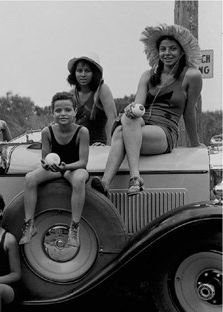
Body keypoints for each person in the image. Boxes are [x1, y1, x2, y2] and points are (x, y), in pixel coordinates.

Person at [92, 24, 203, 197]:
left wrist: (195, 144)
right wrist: (130, 110)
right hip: (141, 123)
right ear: (157, 52)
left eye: (173, 49)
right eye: (163, 49)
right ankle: (116, 181)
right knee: (126, 121)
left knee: (122, 132)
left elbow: (189, 113)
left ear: (182, 52)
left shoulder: (192, 75)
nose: (167, 53)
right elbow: (139, 108)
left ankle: (123, 179)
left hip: (164, 129)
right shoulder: (147, 75)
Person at [19, 92, 89, 247]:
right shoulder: (47, 132)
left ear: (74, 111)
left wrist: (66, 167)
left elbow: (83, 162)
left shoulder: (82, 132)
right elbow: (44, 159)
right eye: (58, 110)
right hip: (55, 168)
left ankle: (74, 228)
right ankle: (29, 225)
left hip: (73, 168)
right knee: (30, 177)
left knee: (79, 179)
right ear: (52, 113)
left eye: (67, 110)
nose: (63, 114)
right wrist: (47, 165)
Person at [67, 53, 117, 145]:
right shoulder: (72, 94)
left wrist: (109, 146)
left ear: (94, 73)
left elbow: (112, 117)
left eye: (87, 71)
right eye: (79, 70)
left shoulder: (102, 89)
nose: (83, 74)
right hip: (79, 145)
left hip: (99, 144)